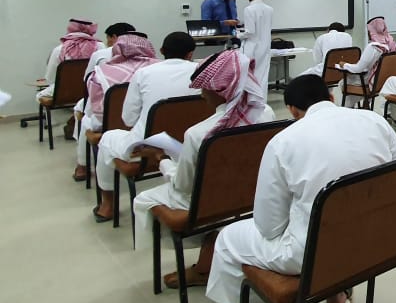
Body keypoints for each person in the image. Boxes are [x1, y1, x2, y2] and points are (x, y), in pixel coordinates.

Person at [205, 73, 396, 303]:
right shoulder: (374, 120)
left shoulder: (283, 142)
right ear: (332, 98)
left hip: (315, 254)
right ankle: (336, 297)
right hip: (380, 240)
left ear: (292, 110)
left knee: (228, 239)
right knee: (330, 214)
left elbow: (269, 227)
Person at [133, 49, 277, 277]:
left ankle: (201, 262)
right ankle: (210, 254)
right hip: (252, 194)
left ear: (222, 91)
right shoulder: (265, 114)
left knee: (143, 199)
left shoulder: (198, 134)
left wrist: (162, 159)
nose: (201, 94)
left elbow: (182, 186)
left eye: (205, 88)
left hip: (209, 203)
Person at [92, 32, 199, 222]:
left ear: (162, 51)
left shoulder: (144, 74)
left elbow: (128, 119)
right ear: (190, 54)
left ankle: (107, 206)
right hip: (189, 150)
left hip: (146, 150)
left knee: (107, 138)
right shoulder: (201, 72)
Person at [73, 32, 155, 182]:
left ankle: (82, 166)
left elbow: (96, 114)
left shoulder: (101, 72)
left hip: (116, 126)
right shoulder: (158, 68)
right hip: (155, 128)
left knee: (85, 120)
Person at [70, 22, 137, 156]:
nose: (107, 42)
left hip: (107, 104)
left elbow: (87, 80)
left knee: (84, 116)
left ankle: (82, 162)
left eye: (108, 38)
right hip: (137, 111)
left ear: (114, 37)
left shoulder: (100, 54)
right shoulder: (147, 59)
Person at [37, 18, 101, 107]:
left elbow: (50, 78)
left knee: (40, 96)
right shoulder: (101, 47)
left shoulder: (60, 49)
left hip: (64, 92)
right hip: (92, 90)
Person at [336, 16, 396, 98]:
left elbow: (358, 69)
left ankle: (350, 106)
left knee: (342, 83)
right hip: (384, 81)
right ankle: (366, 102)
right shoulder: (392, 45)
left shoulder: (373, 47)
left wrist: (344, 65)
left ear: (372, 31)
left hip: (369, 81)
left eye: (369, 31)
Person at [235, 0, 273, 96]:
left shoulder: (249, 9)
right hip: (265, 47)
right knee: (263, 76)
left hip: (252, 48)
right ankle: (262, 100)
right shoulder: (270, 9)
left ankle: (250, 100)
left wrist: (237, 34)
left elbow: (250, 32)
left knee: (249, 76)